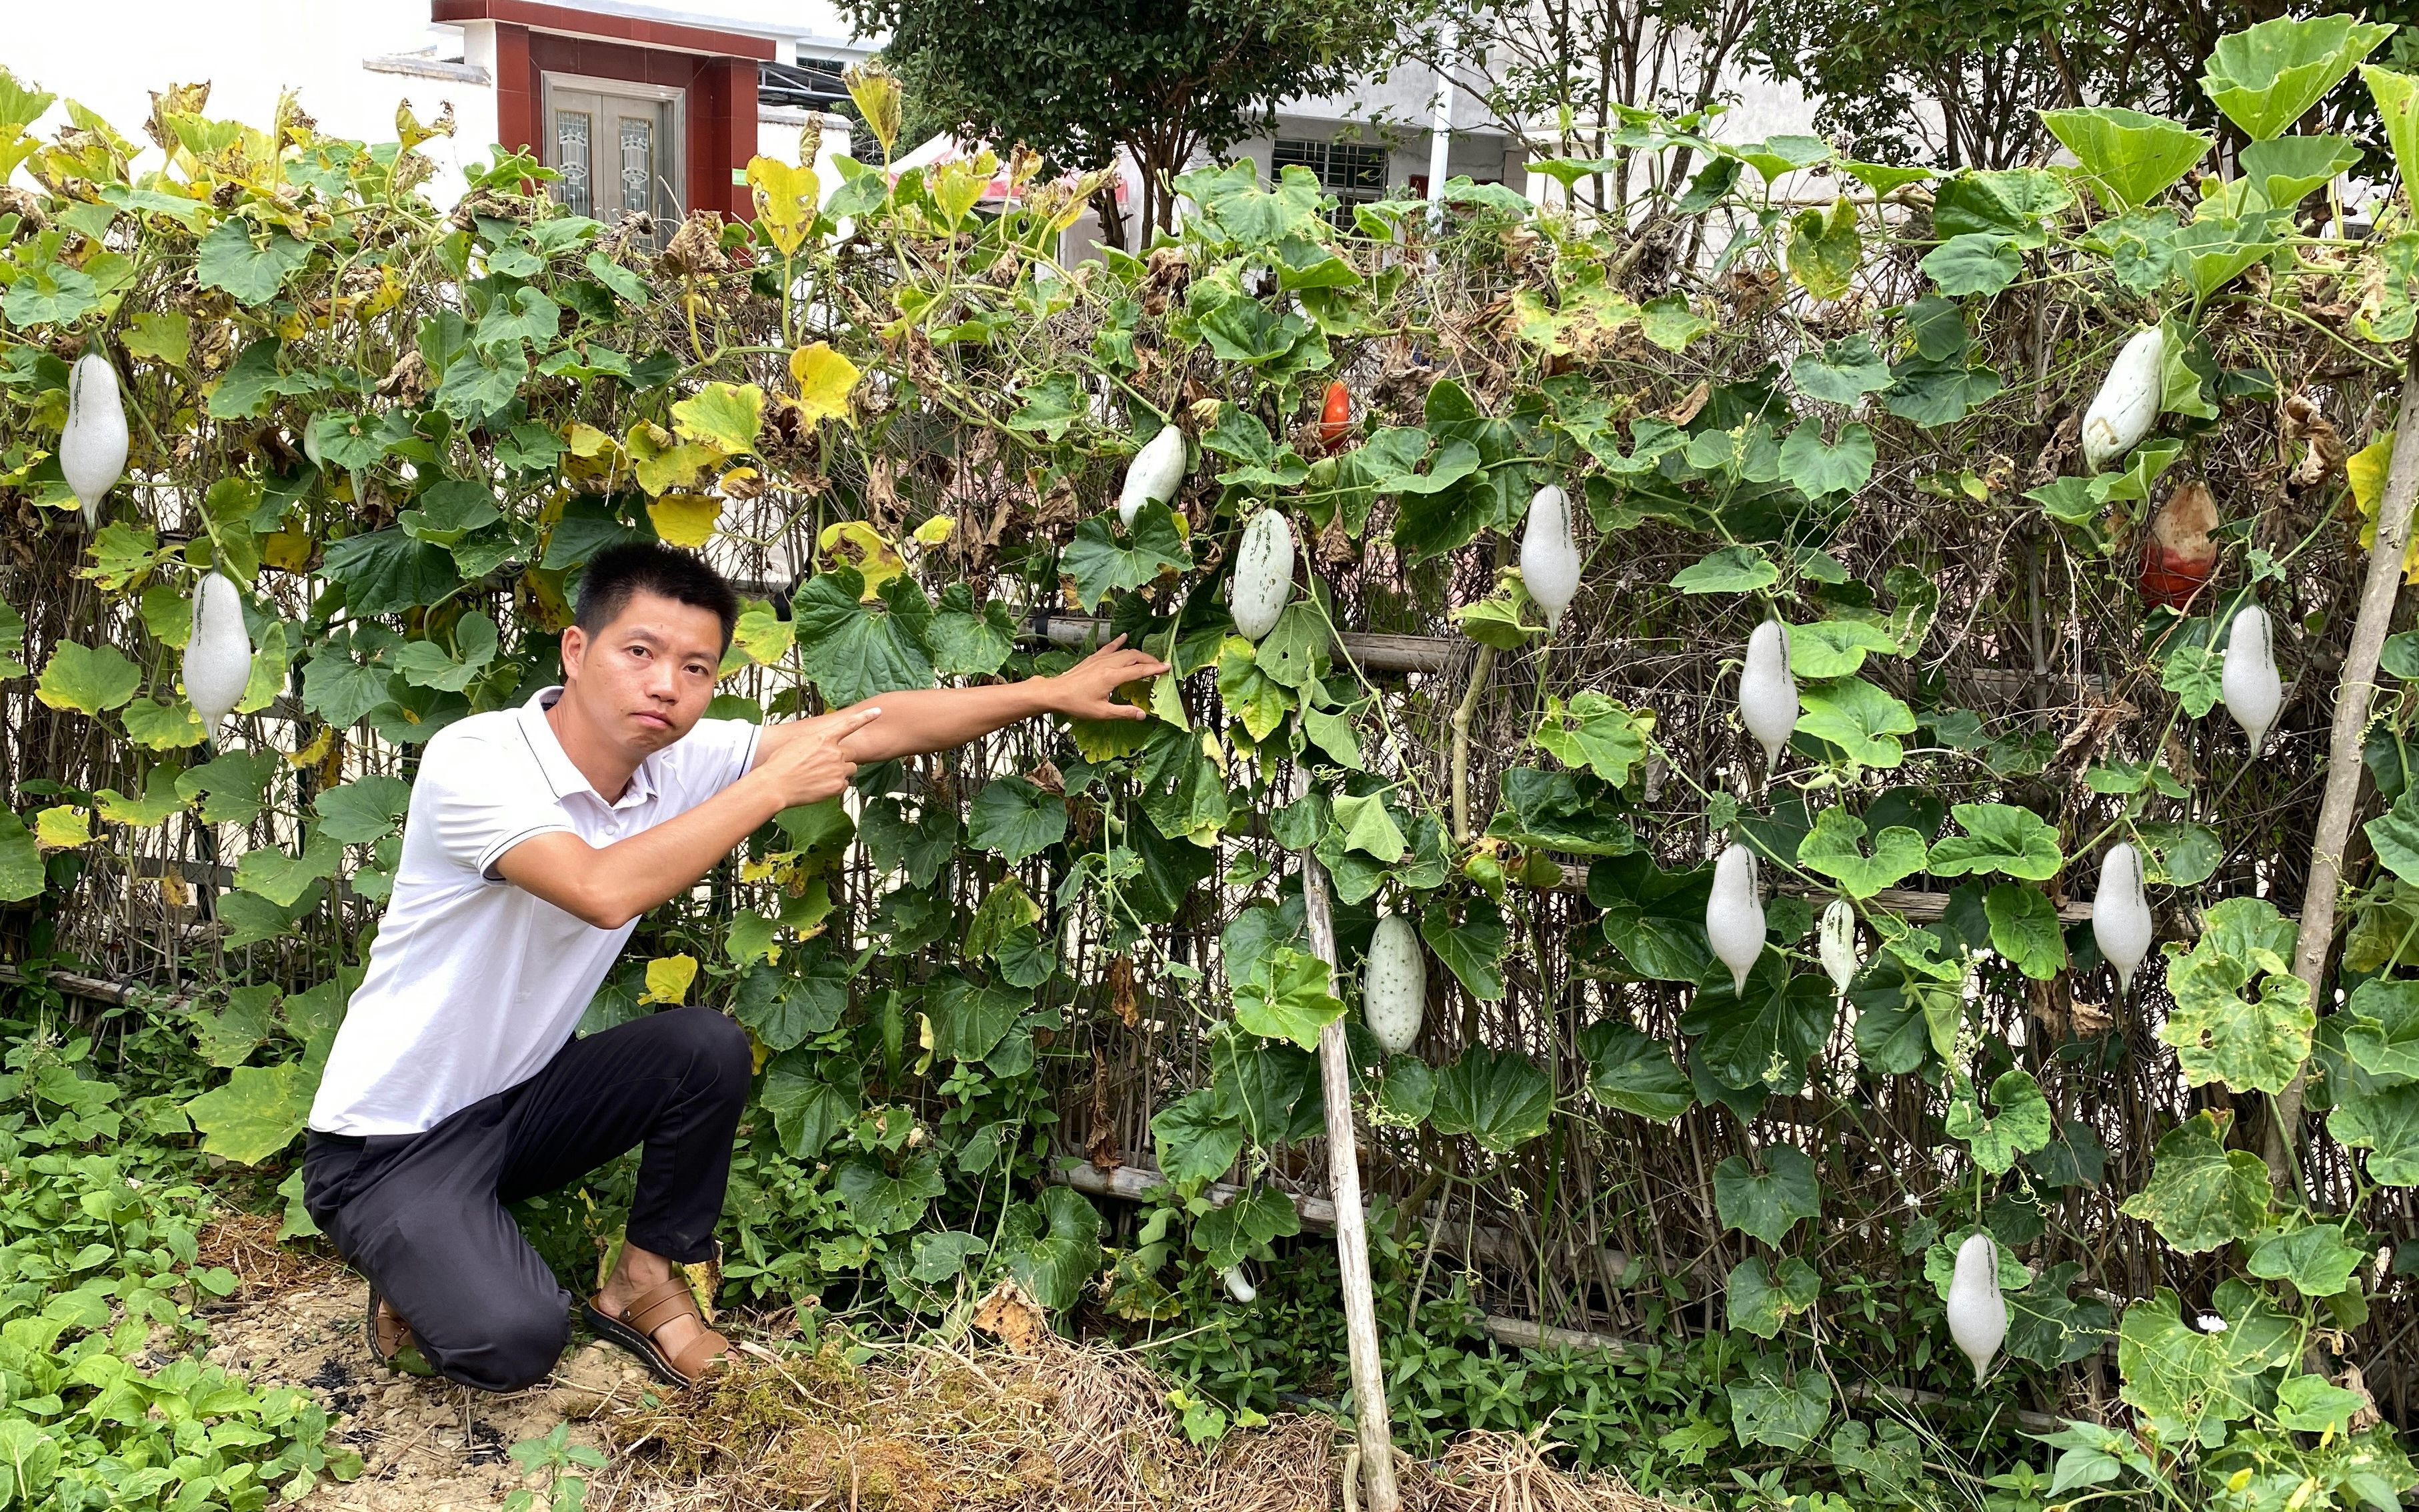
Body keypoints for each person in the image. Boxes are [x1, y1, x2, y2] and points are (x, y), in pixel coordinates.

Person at [299, 541, 1164, 1392]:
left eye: (696, 668)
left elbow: (870, 728)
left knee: (703, 1049)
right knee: (518, 1342)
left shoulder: (671, 761)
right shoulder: (478, 759)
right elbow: (598, 889)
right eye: (640, 652)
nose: (667, 685)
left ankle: (642, 1281)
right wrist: (770, 788)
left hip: (515, 1108)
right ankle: (417, 1264)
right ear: (577, 650)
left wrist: (1044, 693)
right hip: (387, 1144)